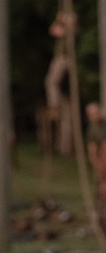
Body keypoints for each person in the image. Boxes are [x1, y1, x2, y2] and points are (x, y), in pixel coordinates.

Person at [45, 11, 77, 155]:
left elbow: (54, 31)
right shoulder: (70, 30)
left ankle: (54, 105)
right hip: (63, 59)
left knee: (50, 82)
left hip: (63, 59)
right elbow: (54, 30)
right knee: (52, 83)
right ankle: (55, 104)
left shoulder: (70, 31)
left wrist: (60, 19)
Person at [86, 103, 106, 207]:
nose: (96, 116)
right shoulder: (92, 128)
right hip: (100, 158)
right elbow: (92, 146)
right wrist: (95, 161)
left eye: (97, 113)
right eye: (93, 114)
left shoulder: (104, 125)